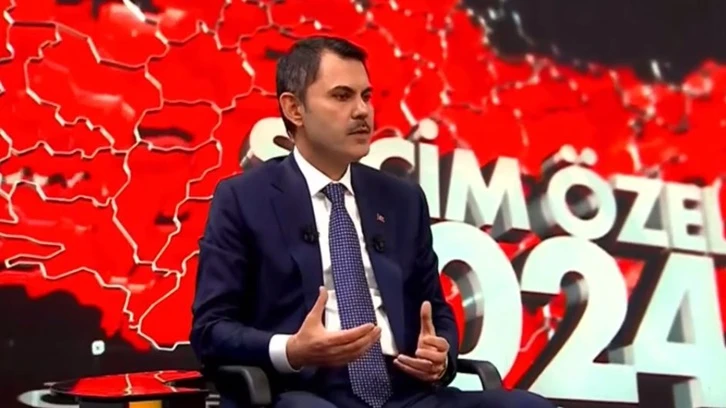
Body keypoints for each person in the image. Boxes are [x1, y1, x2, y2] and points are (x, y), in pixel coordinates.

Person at [191, 35, 554, 408]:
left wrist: (440, 354)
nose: (362, 111)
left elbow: (434, 307)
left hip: (407, 391)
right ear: (294, 109)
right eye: (342, 96)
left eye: (366, 96)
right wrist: (292, 349)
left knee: (527, 406)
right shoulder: (244, 198)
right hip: (306, 392)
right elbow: (211, 330)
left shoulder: (402, 199)